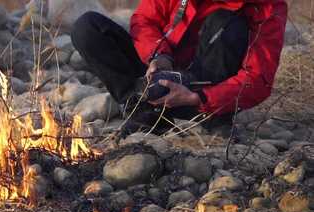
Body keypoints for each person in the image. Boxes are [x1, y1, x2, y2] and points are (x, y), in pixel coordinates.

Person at [71, 0, 288, 136]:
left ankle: (212, 121)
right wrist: (159, 55)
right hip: (156, 76)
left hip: (202, 98)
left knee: (227, 24)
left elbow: (258, 79)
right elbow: (145, 19)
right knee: (88, 27)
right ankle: (144, 112)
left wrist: (199, 98)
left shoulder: (268, 6)